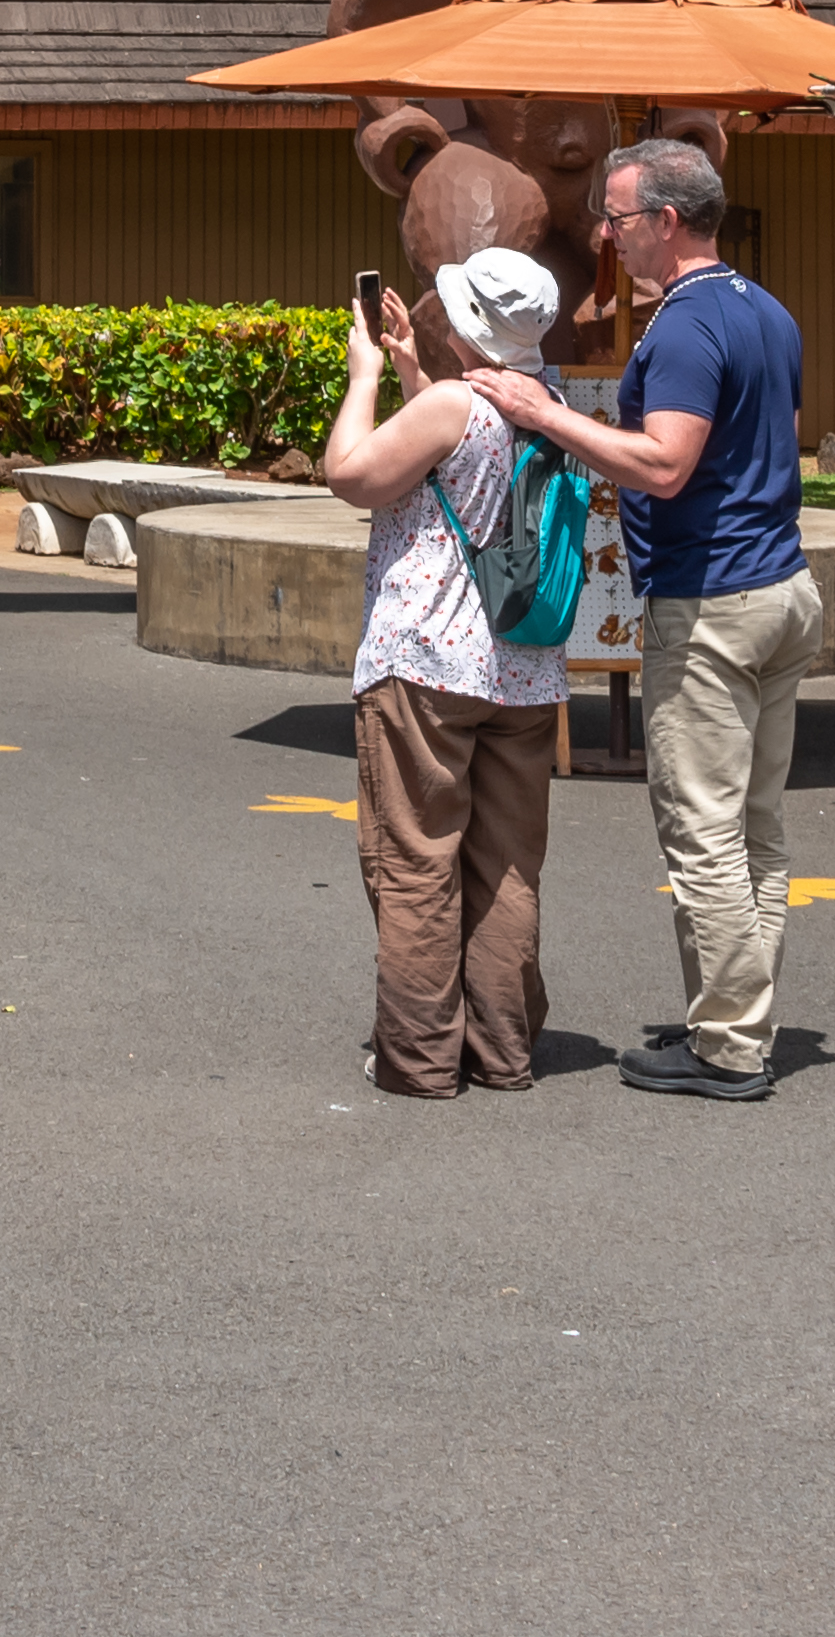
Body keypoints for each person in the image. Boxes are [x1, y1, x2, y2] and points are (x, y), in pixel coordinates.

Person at [480, 135, 819, 1103]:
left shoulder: (681, 328)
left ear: (666, 220)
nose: (606, 234)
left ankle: (727, 1048)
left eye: (619, 218)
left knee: (703, 828)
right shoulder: (765, 308)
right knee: (755, 825)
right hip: (779, 585)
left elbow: (665, 462)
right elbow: (769, 439)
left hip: (712, 596)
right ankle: (737, 1015)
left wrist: (540, 413)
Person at [322, 247, 572, 1097]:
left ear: (469, 324)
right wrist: (411, 369)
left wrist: (364, 378)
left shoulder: (456, 406)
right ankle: (502, 1049)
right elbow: (463, 462)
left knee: (417, 857)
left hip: (427, 660)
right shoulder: (550, 403)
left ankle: (422, 1056)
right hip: (525, 670)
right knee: (505, 866)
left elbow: (351, 475)